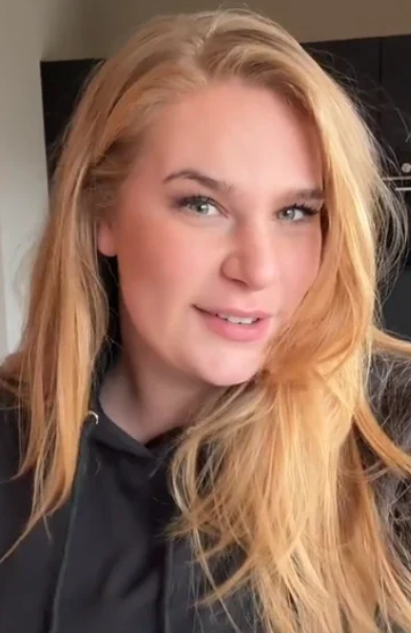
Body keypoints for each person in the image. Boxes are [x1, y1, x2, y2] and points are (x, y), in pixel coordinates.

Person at [0, 8, 411, 633]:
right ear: (103, 213)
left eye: (296, 212)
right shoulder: (14, 439)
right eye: (202, 204)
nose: (258, 268)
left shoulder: (389, 444)